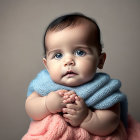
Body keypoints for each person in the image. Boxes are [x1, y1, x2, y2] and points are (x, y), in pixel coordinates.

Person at [23, 13, 128, 139]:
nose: (68, 61)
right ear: (47, 65)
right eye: (58, 55)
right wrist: (46, 104)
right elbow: (30, 107)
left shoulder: (102, 89)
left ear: (100, 60)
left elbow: (112, 122)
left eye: (80, 52)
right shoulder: (45, 84)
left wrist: (87, 117)